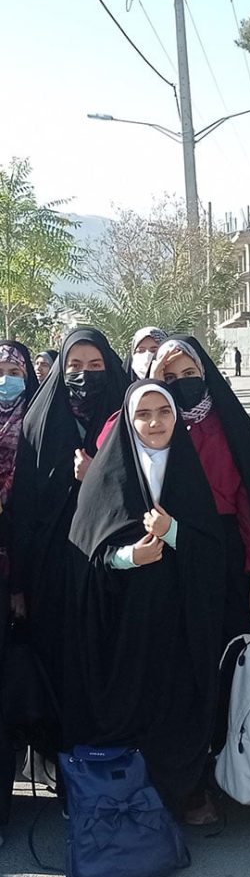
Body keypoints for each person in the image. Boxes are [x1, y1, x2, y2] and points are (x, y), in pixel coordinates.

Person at [65, 381, 225, 817]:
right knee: (126, 704)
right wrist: (126, 558)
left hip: (179, 621)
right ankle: (124, 801)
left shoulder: (189, 471)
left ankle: (178, 795)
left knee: (177, 705)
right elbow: (84, 553)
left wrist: (173, 533)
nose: (155, 422)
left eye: (164, 412)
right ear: (128, 420)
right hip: (124, 624)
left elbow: (214, 555)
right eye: (143, 414)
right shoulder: (107, 473)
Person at [151, 335, 250, 824]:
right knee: (180, 674)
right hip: (168, 555)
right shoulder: (154, 424)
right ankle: (190, 786)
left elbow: (249, 506)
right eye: (170, 377)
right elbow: (113, 439)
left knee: (234, 671)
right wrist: (151, 382)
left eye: (189, 374)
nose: (180, 384)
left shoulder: (230, 425)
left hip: (226, 558)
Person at [10, 328, 128, 709]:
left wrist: (97, 477)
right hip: (50, 571)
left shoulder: (127, 419)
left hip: (112, 567)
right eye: (74, 366)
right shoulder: (38, 422)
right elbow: (24, 508)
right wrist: (18, 585)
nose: (84, 374)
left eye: (95, 365)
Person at [0, 342, 38, 845]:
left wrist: (21, 584)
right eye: (0, 370)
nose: (7, 378)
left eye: (15, 370)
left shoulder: (34, 426)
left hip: (12, 571)